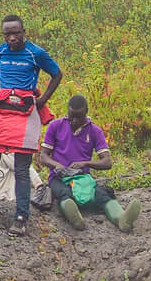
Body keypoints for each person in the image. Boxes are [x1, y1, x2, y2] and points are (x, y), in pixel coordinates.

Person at [0, 15, 63, 238]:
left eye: (15, 33)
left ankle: (21, 217)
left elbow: (57, 73)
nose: (11, 38)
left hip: (25, 111)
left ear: (23, 32)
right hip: (1, 110)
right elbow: (2, 73)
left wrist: (43, 99)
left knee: (21, 168)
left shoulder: (35, 53)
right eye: (7, 34)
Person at [37, 94, 141, 233]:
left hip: (83, 178)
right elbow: (43, 156)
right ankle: (75, 218)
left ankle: (122, 219)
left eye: (79, 117)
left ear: (86, 111)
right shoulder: (56, 126)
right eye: (71, 116)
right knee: (64, 193)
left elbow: (107, 162)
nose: (74, 120)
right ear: (67, 111)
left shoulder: (94, 131)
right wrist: (57, 165)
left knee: (102, 194)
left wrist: (85, 163)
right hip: (58, 177)